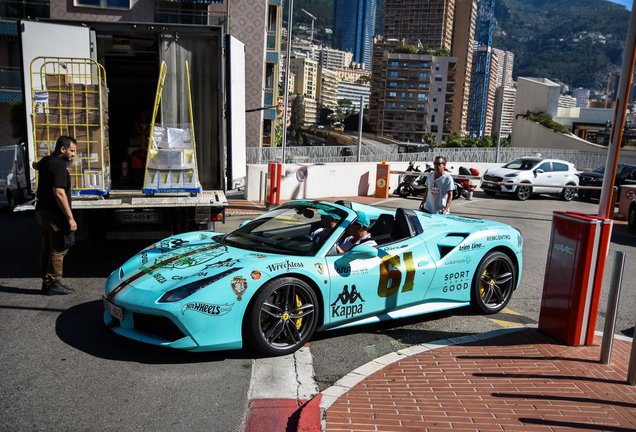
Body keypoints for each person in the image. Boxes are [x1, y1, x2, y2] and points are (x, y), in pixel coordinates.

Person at [35, 136, 78, 295]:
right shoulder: (59, 166)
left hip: (41, 211)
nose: (73, 154)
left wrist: (35, 164)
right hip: (54, 214)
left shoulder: (46, 161)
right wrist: (70, 217)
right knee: (59, 247)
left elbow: (36, 165)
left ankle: (46, 282)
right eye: (71, 150)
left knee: (47, 246)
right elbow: (59, 193)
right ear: (62, 149)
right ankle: (53, 282)